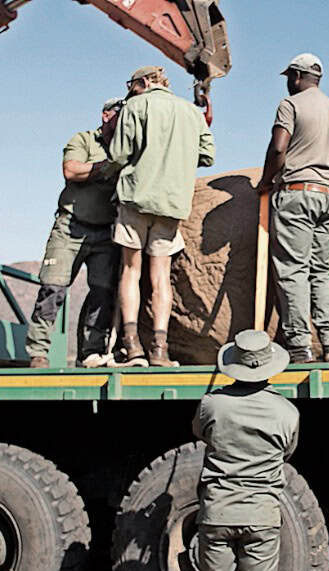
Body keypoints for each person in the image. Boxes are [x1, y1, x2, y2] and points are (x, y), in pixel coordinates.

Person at [110, 65, 215, 366]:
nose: (129, 92)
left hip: (136, 199)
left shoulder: (135, 105)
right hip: (172, 205)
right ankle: (160, 349)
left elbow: (118, 154)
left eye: (131, 85)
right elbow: (208, 155)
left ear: (143, 82)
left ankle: (131, 347)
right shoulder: (191, 112)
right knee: (161, 278)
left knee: (131, 271)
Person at [193, 329, 299, 571]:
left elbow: (199, 432)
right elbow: (286, 452)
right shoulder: (287, 412)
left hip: (217, 511)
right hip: (262, 514)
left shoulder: (212, 404)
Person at [256, 53, 329, 363]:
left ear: (296, 76)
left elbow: (279, 146)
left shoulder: (291, 104)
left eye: (288, 78)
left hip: (299, 193)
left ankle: (299, 345)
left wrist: (265, 181)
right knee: (320, 270)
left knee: (293, 269)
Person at [26, 97, 125, 368]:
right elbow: (71, 170)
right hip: (71, 226)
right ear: (106, 115)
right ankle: (38, 352)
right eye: (120, 115)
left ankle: (90, 353)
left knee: (102, 293)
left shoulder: (126, 146)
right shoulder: (84, 140)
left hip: (106, 232)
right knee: (53, 288)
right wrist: (108, 167)